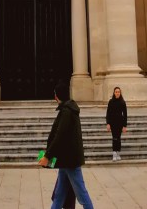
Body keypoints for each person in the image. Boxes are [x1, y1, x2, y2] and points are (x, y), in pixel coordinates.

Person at [40, 81, 94, 209]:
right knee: (59, 194)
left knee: (81, 193)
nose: (54, 97)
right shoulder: (68, 110)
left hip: (70, 160)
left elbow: (60, 136)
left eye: (55, 94)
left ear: (57, 96)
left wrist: (47, 156)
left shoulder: (67, 112)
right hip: (65, 160)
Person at [105, 86, 127, 162]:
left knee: (119, 138)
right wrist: (108, 123)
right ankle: (114, 153)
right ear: (114, 93)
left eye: (118, 92)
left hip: (120, 123)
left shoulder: (122, 102)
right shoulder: (111, 102)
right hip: (113, 122)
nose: (117, 93)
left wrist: (124, 126)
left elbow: (125, 114)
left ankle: (118, 153)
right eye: (116, 92)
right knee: (114, 138)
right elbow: (108, 113)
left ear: (120, 93)